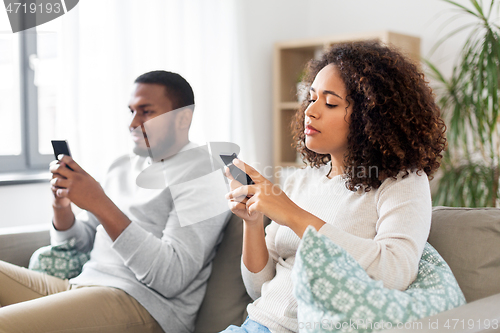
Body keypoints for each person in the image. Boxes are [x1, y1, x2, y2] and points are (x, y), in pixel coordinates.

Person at [222, 40, 447, 332]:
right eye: (311, 98)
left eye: (330, 103)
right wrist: (252, 223)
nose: (310, 111)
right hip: (254, 325)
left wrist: (292, 215)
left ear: (372, 115)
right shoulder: (300, 179)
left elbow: (394, 271)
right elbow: (260, 288)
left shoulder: (401, 182)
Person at [0, 70, 231, 333]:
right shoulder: (121, 166)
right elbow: (79, 246)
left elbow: (172, 278)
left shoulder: (203, 174)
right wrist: (61, 207)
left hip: (143, 304)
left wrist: (99, 203)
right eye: (131, 111)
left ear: (183, 118)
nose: (133, 122)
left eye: (146, 111)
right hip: (82, 286)